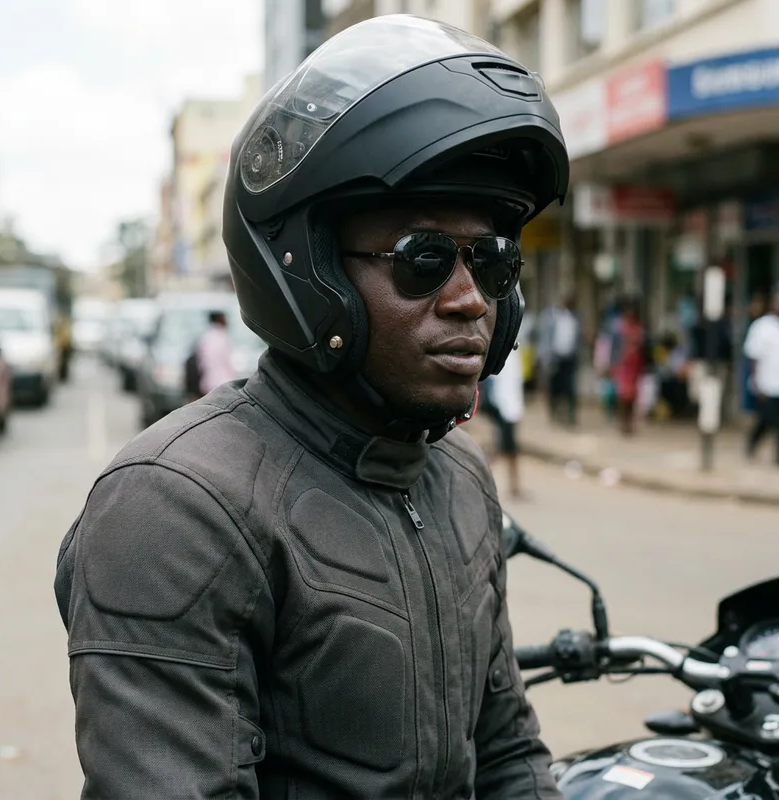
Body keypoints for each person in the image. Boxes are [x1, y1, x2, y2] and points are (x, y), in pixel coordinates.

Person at [54, 16, 568, 800]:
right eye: (423, 259)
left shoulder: (459, 480)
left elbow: (506, 754)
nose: (471, 302)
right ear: (308, 274)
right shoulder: (177, 508)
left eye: (492, 262)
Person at [744, 286, 779, 465]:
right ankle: (751, 444)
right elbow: (753, 357)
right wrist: (757, 382)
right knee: (766, 420)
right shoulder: (762, 326)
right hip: (768, 384)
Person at [490, 341, 526, 497]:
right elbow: (500, 384)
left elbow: (516, 383)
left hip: (511, 408)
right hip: (506, 408)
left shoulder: (515, 352)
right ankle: (514, 487)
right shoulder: (504, 353)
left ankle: (515, 487)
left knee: (505, 449)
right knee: (508, 450)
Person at [542, 294, 580, 426]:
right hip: (555, 357)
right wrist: (546, 357)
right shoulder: (552, 316)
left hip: (569, 358)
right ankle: (554, 413)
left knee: (570, 388)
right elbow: (545, 338)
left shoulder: (574, 318)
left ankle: (570, 416)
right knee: (555, 387)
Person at [613, 298, 645, 435]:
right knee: (623, 395)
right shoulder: (619, 328)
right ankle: (623, 422)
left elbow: (641, 346)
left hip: (634, 366)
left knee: (632, 396)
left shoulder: (638, 329)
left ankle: (629, 423)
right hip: (623, 365)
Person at [196, 309, 236, 395]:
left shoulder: (206, 337)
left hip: (208, 383)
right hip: (222, 382)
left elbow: (201, 362)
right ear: (218, 319)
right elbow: (227, 361)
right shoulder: (222, 336)